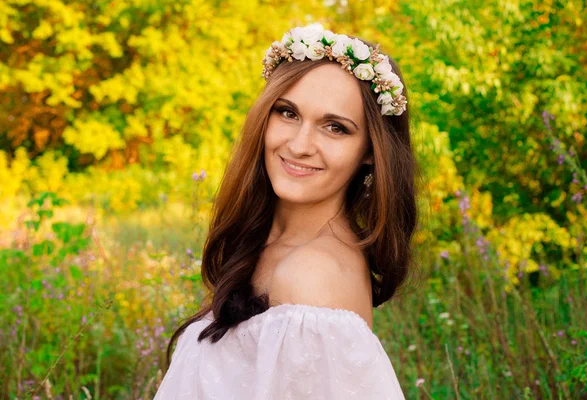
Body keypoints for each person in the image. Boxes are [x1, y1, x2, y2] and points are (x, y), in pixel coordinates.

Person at [154, 23, 419, 399]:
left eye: (335, 128)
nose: (300, 145)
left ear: (370, 153)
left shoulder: (311, 276)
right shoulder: (272, 244)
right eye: (288, 113)